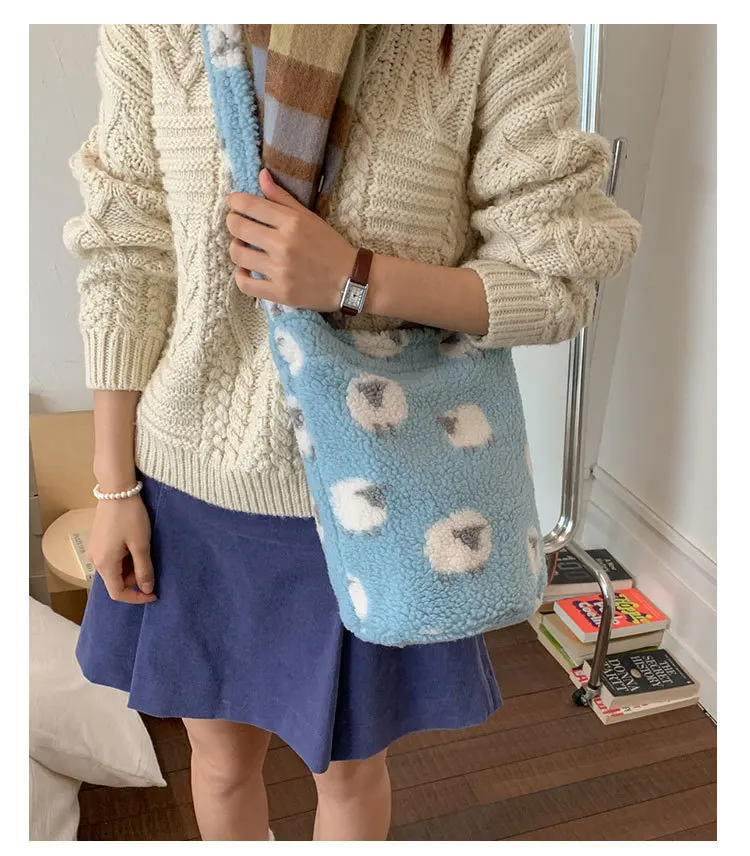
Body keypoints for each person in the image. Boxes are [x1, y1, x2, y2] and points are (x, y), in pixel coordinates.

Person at [63, 24, 639, 842]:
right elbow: (125, 251)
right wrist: (113, 485)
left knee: (350, 772)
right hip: (188, 485)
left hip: (376, 495)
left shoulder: (498, 31)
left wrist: (353, 278)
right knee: (219, 765)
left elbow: (556, 281)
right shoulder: (154, 25)